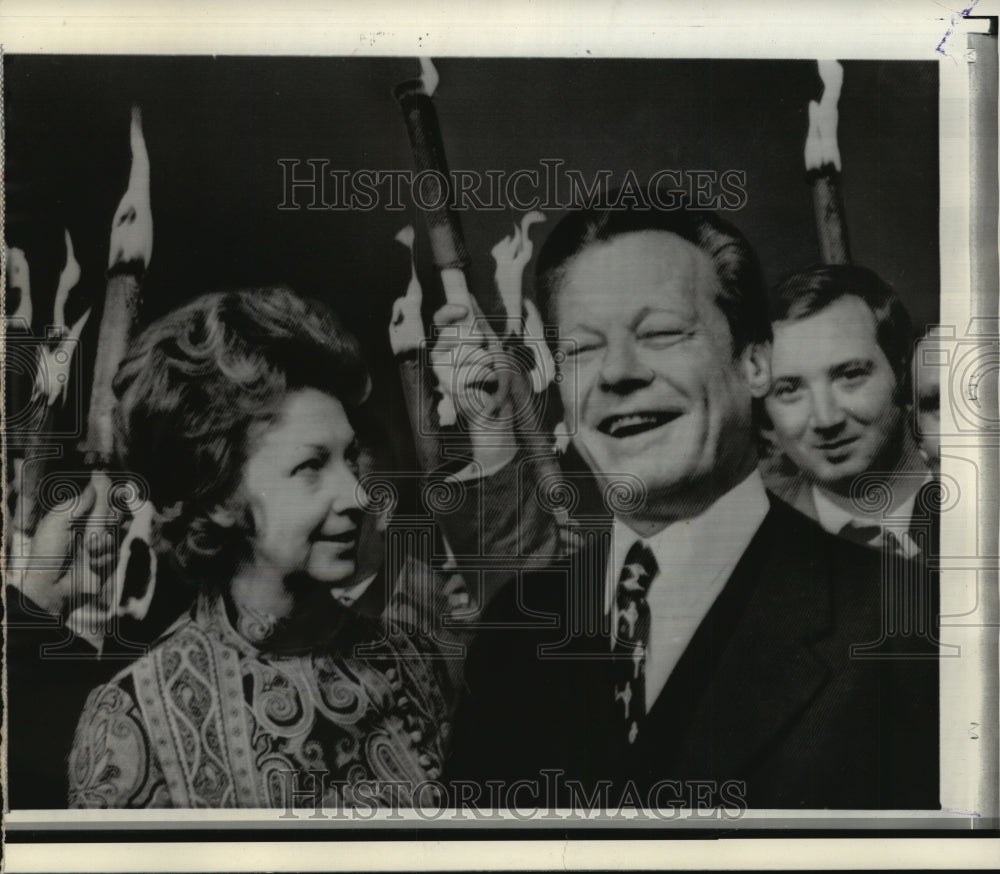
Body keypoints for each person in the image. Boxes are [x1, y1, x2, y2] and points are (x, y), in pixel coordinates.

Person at [444, 203, 938, 810]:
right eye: (582, 349)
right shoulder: (513, 633)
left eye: (661, 334)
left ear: (755, 362)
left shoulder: (909, 625)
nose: (617, 374)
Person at [67, 288, 452, 809]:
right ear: (222, 495)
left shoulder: (415, 662)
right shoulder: (133, 722)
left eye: (351, 457)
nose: (358, 493)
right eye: (311, 466)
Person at [762, 265, 932, 555]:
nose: (826, 419)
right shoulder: (758, 546)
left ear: (902, 373)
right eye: (789, 390)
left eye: (850, 375)